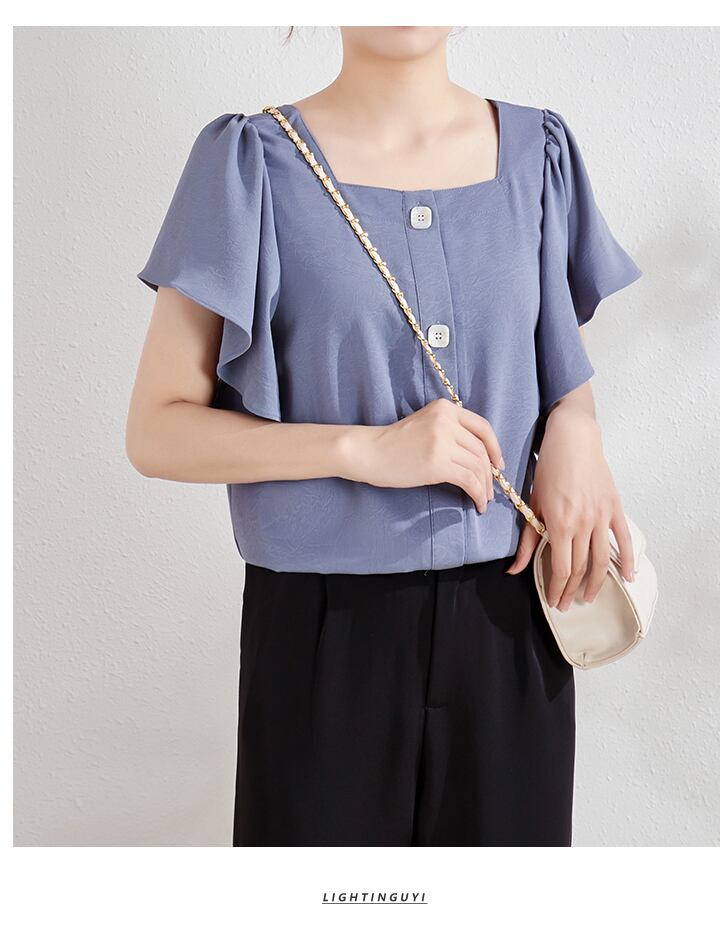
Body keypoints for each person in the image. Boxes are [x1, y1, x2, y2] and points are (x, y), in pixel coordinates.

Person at [126, 26, 641, 846]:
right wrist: (362, 451)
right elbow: (155, 431)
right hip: (321, 631)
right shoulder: (249, 163)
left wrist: (579, 429)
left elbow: (561, 371)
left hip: (512, 618)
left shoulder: (539, 154)